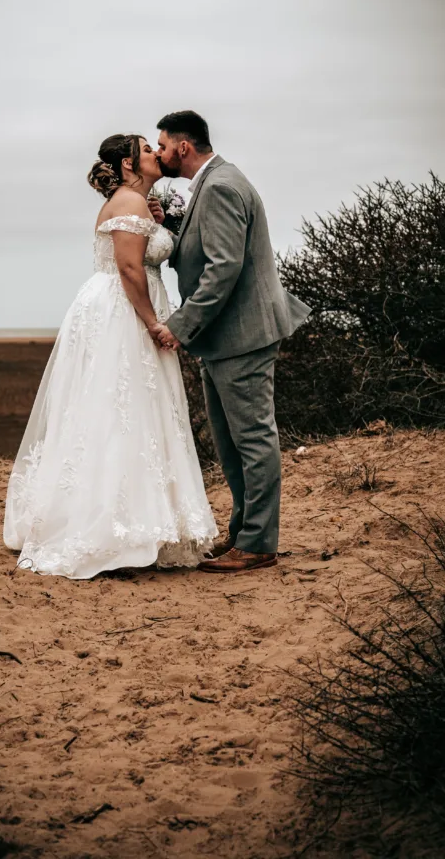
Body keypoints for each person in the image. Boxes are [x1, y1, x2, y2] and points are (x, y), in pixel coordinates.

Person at [3, 133, 217, 578]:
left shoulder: (138, 204)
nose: (155, 154)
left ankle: (138, 520)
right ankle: (111, 525)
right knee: (120, 410)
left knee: (126, 409)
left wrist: (160, 222)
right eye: (145, 149)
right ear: (126, 165)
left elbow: (142, 254)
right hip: (122, 310)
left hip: (114, 305)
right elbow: (128, 268)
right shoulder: (129, 203)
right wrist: (152, 321)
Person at [150, 111, 311, 574]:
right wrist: (174, 230)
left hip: (241, 335)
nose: (159, 154)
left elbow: (224, 267)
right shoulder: (210, 182)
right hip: (222, 338)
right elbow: (206, 251)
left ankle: (259, 543)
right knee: (230, 442)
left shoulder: (220, 185)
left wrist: (181, 325)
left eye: (162, 145)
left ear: (183, 147)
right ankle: (243, 532)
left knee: (254, 439)